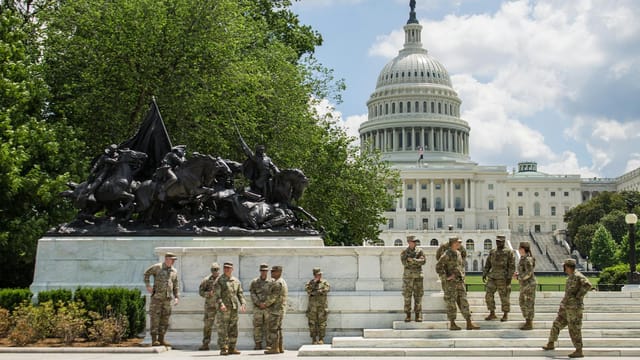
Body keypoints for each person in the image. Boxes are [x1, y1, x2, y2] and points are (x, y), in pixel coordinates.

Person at [542, 259, 593, 358]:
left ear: (568, 267)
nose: (564, 269)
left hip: (574, 308)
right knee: (556, 323)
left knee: (574, 328)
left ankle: (579, 350)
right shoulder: (570, 277)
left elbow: (588, 285)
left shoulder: (578, 276)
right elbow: (568, 293)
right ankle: (551, 343)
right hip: (566, 308)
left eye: (565, 266)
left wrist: (578, 296)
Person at [436, 236, 480, 331]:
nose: (459, 244)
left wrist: (463, 276)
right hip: (450, 284)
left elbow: (460, 266)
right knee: (451, 303)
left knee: (464, 302)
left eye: (460, 242)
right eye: (458, 242)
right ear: (453, 243)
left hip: (460, 282)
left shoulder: (458, 253)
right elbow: (438, 267)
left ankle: (469, 322)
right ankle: (452, 324)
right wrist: (446, 277)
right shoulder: (446, 254)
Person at [143, 252, 180, 346]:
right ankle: (154, 339)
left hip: (167, 299)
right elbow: (146, 273)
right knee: (155, 319)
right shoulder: (157, 267)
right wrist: (148, 285)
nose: (173, 262)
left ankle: (161, 339)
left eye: (174, 260)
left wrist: (176, 297)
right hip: (157, 299)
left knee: (165, 320)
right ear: (167, 259)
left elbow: (175, 285)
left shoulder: (174, 271)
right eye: (172, 260)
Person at [213, 262, 246, 355]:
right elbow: (217, 295)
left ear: (232, 269)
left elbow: (240, 293)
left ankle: (232, 347)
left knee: (234, 328)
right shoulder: (219, 280)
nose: (227, 269)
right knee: (223, 329)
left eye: (229, 268)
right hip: (224, 309)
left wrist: (243, 303)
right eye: (225, 268)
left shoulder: (236, 281)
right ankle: (223, 348)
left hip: (234, 308)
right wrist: (221, 304)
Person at [482, 235, 516, 321]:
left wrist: (509, 278)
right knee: (488, 295)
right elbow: (488, 263)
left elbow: (512, 266)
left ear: (503, 242)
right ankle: (492, 313)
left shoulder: (508, 252)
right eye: (497, 241)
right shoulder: (492, 251)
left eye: (500, 241)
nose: (498, 243)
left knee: (504, 297)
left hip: (503, 278)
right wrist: (485, 273)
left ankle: (505, 314)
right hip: (492, 276)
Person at [239, 134, 280, 199]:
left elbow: (273, 166)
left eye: (262, 150)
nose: (262, 151)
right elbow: (248, 151)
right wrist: (242, 142)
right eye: (260, 150)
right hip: (260, 179)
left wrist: (277, 170)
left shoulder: (267, 158)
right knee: (263, 187)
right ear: (257, 150)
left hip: (268, 177)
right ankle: (263, 198)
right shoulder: (255, 158)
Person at [400, 235, 426, 322]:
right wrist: (416, 261)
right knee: (407, 296)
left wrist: (413, 260)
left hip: (418, 277)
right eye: (413, 241)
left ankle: (418, 315)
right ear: (409, 242)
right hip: (408, 278)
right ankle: (408, 315)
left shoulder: (420, 251)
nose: (415, 243)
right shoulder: (404, 252)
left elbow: (423, 261)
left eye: (415, 242)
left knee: (418, 296)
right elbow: (405, 263)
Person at [264, 265, 288, 354]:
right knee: (278, 329)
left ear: (279, 272)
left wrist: (265, 304)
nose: (271, 273)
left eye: (273, 271)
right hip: (280, 309)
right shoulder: (282, 281)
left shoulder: (278, 283)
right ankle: (280, 347)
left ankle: (274, 348)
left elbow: (273, 297)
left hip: (276, 310)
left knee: (273, 329)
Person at [198, 262, 221, 351]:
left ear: (219, 270)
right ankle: (205, 344)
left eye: (216, 270)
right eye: (213, 270)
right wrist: (208, 294)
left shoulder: (222, 279)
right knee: (207, 326)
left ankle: (222, 344)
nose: (215, 271)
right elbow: (201, 292)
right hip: (210, 307)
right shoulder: (206, 280)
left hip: (220, 306)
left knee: (222, 326)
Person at [305, 267, 331, 344]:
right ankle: (313, 338)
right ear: (314, 275)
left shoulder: (324, 282)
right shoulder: (310, 283)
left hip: (322, 306)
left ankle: (321, 338)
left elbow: (327, 289)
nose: (319, 276)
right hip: (312, 307)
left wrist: (316, 292)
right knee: (312, 323)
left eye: (320, 274)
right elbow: (308, 290)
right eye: (318, 274)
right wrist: (314, 285)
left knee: (322, 323)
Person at [250, 263, 271, 350]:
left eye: (265, 271)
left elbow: (274, 294)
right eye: (262, 270)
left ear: (267, 271)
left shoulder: (271, 282)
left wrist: (267, 303)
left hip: (268, 307)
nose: (264, 272)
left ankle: (269, 343)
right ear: (260, 271)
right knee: (257, 326)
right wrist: (259, 303)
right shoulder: (255, 282)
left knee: (268, 326)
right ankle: (258, 343)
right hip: (257, 307)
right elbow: (252, 293)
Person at [516, 241, 537, 330]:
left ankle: (529, 322)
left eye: (520, 248)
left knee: (528, 303)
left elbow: (529, 273)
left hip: (529, 284)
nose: (519, 250)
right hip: (524, 284)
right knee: (522, 302)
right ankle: (527, 320)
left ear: (523, 249)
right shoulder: (523, 258)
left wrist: (518, 277)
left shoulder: (528, 259)